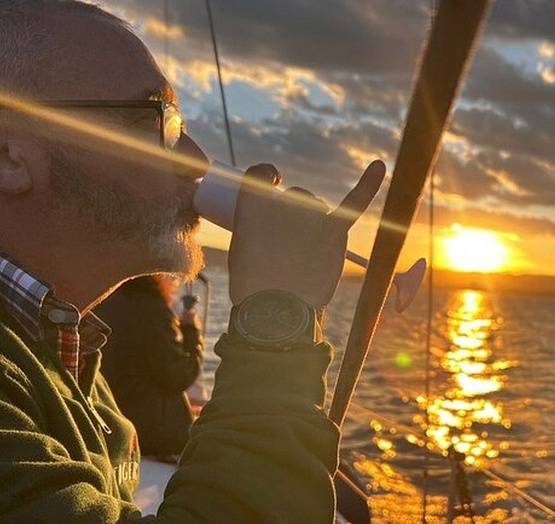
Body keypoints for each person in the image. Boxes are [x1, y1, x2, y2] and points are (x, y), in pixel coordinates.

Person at [0, 1, 386, 522]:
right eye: (155, 119)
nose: (196, 159)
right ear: (8, 155)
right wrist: (277, 317)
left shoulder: (62, 344)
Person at [95, 274, 204, 460]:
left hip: (108, 427)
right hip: (152, 435)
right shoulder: (151, 307)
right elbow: (179, 376)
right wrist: (191, 332)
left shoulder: (101, 301)